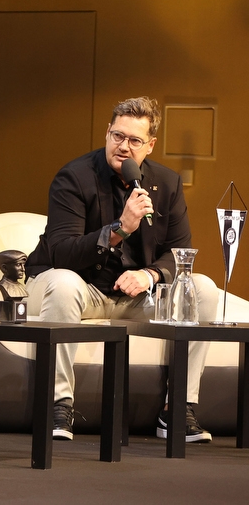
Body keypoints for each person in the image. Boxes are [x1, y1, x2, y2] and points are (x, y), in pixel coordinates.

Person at [25, 96, 220, 442]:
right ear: (107, 133)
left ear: (150, 145)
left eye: (134, 141)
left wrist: (150, 275)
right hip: (81, 286)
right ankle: (58, 404)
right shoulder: (74, 177)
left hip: (135, 294)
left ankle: (177, 409)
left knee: (202, 288)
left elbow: (179, 252)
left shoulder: (167, 184)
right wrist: (120, 230)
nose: (123, 147)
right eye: (117, 136)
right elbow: (61, 253)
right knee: (64, 282)